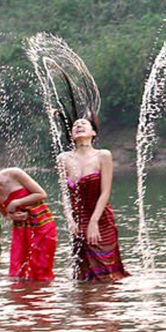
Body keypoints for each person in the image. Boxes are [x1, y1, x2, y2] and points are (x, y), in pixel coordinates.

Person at [57, 117, 128, 282]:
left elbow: (105, 192)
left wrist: (94, 222)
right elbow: (65, 194)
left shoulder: (103, 155)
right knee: (84, 276)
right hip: (78, 220)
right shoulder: (63, 158)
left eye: (83, 124)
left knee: (108, 272)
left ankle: (107, 304)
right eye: (75, 125)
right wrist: (70, 220)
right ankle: (88, 304)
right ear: (71, 135)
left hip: (101, 219)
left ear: (93, 133)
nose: (78, 125)